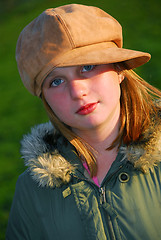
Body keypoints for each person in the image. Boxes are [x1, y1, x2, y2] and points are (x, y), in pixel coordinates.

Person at [6, 3, 161, 240]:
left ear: (119, 68)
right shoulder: (31, 191)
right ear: (44, 98)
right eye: (56, 81)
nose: (78, 91)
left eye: (87, 67)